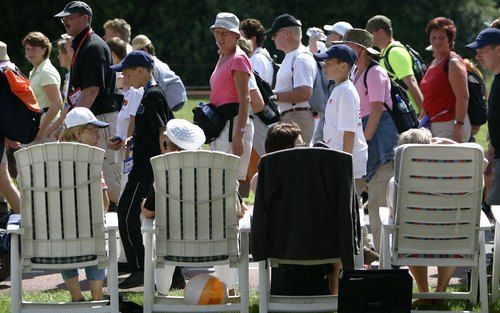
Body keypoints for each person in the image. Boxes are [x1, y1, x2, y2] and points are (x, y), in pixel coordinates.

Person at [110, 50, 174, 289]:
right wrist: (132, 140)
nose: (125, 78)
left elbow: (162, 132)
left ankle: (140, 267)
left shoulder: (152, 95)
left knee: (126, 215)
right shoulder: (148, 94)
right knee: (129, 215)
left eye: (127, 73)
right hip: (143, 166)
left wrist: (163, 167)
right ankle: (163, 271)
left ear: (141, 71)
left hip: (146, 170)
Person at [52, 1, 121, 206]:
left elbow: (91, 90)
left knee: (113, 183)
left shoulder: (93, 46)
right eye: (63, 18)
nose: (64, 22)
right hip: (90, 120)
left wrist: (72, 125)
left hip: (100, 120)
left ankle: (141, 223)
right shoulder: (81, 44)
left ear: (85, 18)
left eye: (69, 17)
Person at [313, 44, 368, 293]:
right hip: (339, 161)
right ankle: (348, 274)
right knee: (345, 219)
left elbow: (348, 132)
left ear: (344, 66)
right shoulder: (340, 89)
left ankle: (352, 274)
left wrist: (342, 167)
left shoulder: (345, 91)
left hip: (344, 164)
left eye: (329, 62)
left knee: (347, 220)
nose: (324, 65)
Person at [340, 28, 399, 252]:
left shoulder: (375, 73)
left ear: (361, 49)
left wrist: (363, 142)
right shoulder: (356, 72)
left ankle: (384, 255)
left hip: (378, 143)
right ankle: (363, 248)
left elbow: (376, 112)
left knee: (377, 202)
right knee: (350, 195)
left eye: (349, 46)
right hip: (364, 139)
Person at [140, 119, 205, 293]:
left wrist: (142, 206)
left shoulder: (164, 172)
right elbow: (239, 209)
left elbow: (148, 211)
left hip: (172, 244)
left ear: (168, 144)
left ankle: (162, 291)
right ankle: (230, 290)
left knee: (152, 227)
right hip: (214, 244)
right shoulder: (219, 168)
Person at [58, 106, 110, 302]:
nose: (98, 136)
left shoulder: (45, 161)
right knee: (95, 234)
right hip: (88, 234)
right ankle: (97, 298)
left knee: (62, 233)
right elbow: (104, 205)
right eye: (93, 131)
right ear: (78, 133)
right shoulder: (92, 161)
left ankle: (76, 297)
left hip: (55, 239)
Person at [209, 12, 254, 183]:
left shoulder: (238, 58)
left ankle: (235, 211)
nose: (220, 36)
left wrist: (239, 135)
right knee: (221, 181)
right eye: (217, 31)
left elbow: (245, 99)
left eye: (225, 32)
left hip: (233, 126)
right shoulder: (223, 56)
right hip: (222, 125)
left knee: (226, 182)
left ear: (236, 35)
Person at [265, 13, 317, 145]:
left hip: (297, 117)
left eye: (275, 34)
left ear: (287, 34)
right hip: (293, 116)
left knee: (296, 162)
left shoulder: (301, 59)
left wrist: (273, 96)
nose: (272, 38)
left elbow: (304, 93)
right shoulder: (293, 56)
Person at [419, 17, 471, 143]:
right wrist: (419, 124)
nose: (437, 41)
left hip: (450, 125)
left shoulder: (452, 62)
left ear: (450, 39)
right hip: (433, 125)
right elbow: (429, 99)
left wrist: (458, 126)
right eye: (433, 37)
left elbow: (463, 97)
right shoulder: (434, 63)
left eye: (442, 37)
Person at [466, 28, 500, 206]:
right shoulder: (496, 79)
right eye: (476, 52)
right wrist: (492, 153)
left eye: (482, 51)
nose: (477, 56)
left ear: (498, 50)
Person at [366, 15, 424, 112]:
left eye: (370, 33)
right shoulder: (385, 53)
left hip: (412, 115)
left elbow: (411, 82)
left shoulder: (394, 52)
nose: (368, 38)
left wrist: (423, 114)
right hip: (404, 113)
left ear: (380, 32)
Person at [240, 18, 274, 157]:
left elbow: (255, 94)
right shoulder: (263, 56)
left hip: (258, 118)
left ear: (252, 39)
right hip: (261, 116)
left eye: (241, 36)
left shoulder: (255, 60)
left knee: (261, 159)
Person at [22, 31, 63, 144]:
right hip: (38, 125)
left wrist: (41, 130)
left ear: (44, 50)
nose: (30, 52)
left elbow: (56, 104)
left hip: (46, 128)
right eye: (27, 49)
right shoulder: (35, 70)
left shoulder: (46, 72)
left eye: (34, 49)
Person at [131, 34, 187, 111]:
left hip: (172, 98)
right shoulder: (156, 61)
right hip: (178, 95)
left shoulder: (151, 65)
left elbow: (153, 87)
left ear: (144, 50)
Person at [0, 42, 20, 214]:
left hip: (4, 134)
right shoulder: (11, 71)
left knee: (5, 182)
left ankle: (30, 225)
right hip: (7, 134)